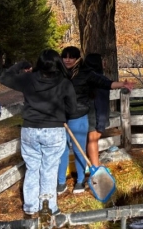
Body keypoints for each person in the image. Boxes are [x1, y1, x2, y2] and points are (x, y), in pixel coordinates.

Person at [0, 50, 77, 216]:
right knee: (49, 169)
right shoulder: (65, 83)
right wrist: (61, 113)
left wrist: (22, 64)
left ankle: (31, 206)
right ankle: (48, 207)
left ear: (39, 64)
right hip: (54, 130)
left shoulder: (28, 79)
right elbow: (72, 109)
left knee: (32, 168)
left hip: (30, 129)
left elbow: (4, 77)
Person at [57, 46, 133, 195]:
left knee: (79, 150)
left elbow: (106, 83)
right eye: (64, 57)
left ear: (78, 59)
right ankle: (61, 183)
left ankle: (80, 181)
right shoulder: (59, 73)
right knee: (62, 150)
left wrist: (122, 84)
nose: (67, 60)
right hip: (61, 118)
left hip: (78, 116)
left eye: (71, 57)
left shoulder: (87, 74)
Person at [84, 53, 110, 167]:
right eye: (102, 60)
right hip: (94, 111)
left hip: (93, 111)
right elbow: (100, 100)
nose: (104, 63)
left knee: (91, 139)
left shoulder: (87, 77)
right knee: (93, 138)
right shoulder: (96, 79)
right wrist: (101, 121)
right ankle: (95, 167)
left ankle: (90, 163)